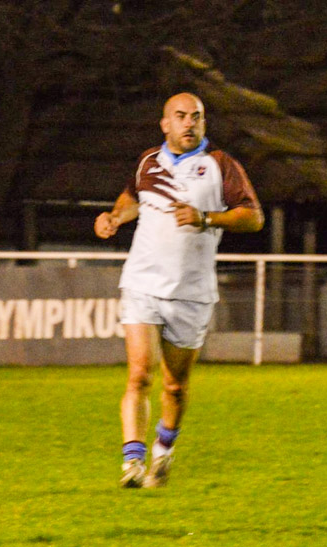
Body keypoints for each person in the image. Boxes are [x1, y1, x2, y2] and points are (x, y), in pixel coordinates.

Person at [94, 93, 263, 489]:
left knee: (175, 384)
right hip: (142, 282)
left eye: (197, 118)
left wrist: (206, 218)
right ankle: (132, 462)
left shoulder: (220, 165)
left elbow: (254, 217)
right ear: (165, 124)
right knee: (139, 373)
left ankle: (164, 450)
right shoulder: (148, 161)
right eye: (181, 116)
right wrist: (114, 217)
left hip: (191, 292)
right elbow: (133, 198)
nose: (189, 123)